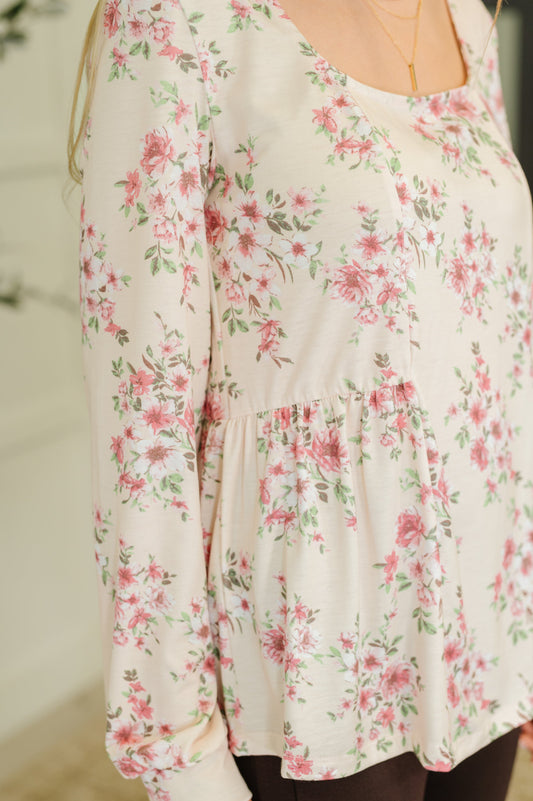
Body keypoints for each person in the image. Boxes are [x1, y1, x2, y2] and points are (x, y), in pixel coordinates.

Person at [66, 0, 533, 799]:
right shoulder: (174, 21)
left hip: (482, 631)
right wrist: (172, 742)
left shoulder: (460, 15)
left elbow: (496, 347)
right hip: (312, 646)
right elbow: (144, 418)